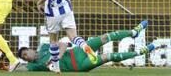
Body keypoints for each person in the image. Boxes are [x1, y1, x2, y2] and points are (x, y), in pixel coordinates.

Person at [16, 20, 155, 72]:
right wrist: (8, 63)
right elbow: (18, 68)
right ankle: (139, 53)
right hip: (79, 65)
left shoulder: (45, 47)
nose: (26, 57)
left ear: (30, 49)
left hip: (77, 51)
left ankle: (133, 31)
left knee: (105, 37)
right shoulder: (35, 66)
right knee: (108, 56)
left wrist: (56, 57)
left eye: (25, 54)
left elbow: (64, 44)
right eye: (24, 57)